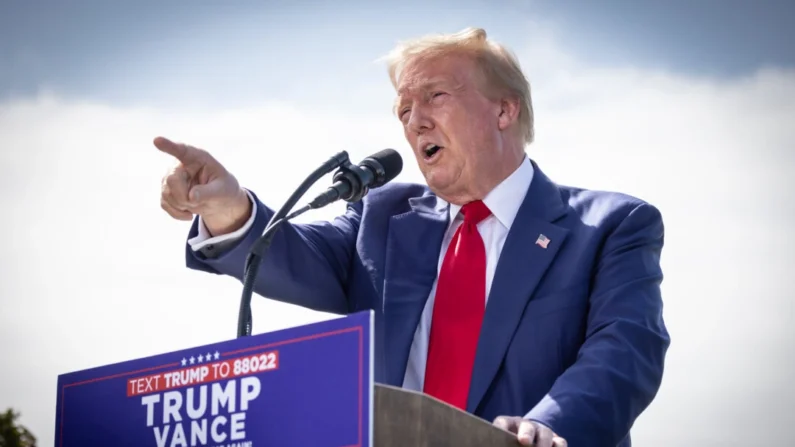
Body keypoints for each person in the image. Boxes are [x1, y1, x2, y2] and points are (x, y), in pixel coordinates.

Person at [156, 27, 669, 447]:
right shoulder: (383, 217)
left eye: (435, 97)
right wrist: (228, 209)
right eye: (404, 110)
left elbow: (624, 349)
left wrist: (549, 424)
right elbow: (291, 257)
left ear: (504, 111)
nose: (415, 120)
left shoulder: (609, 227)